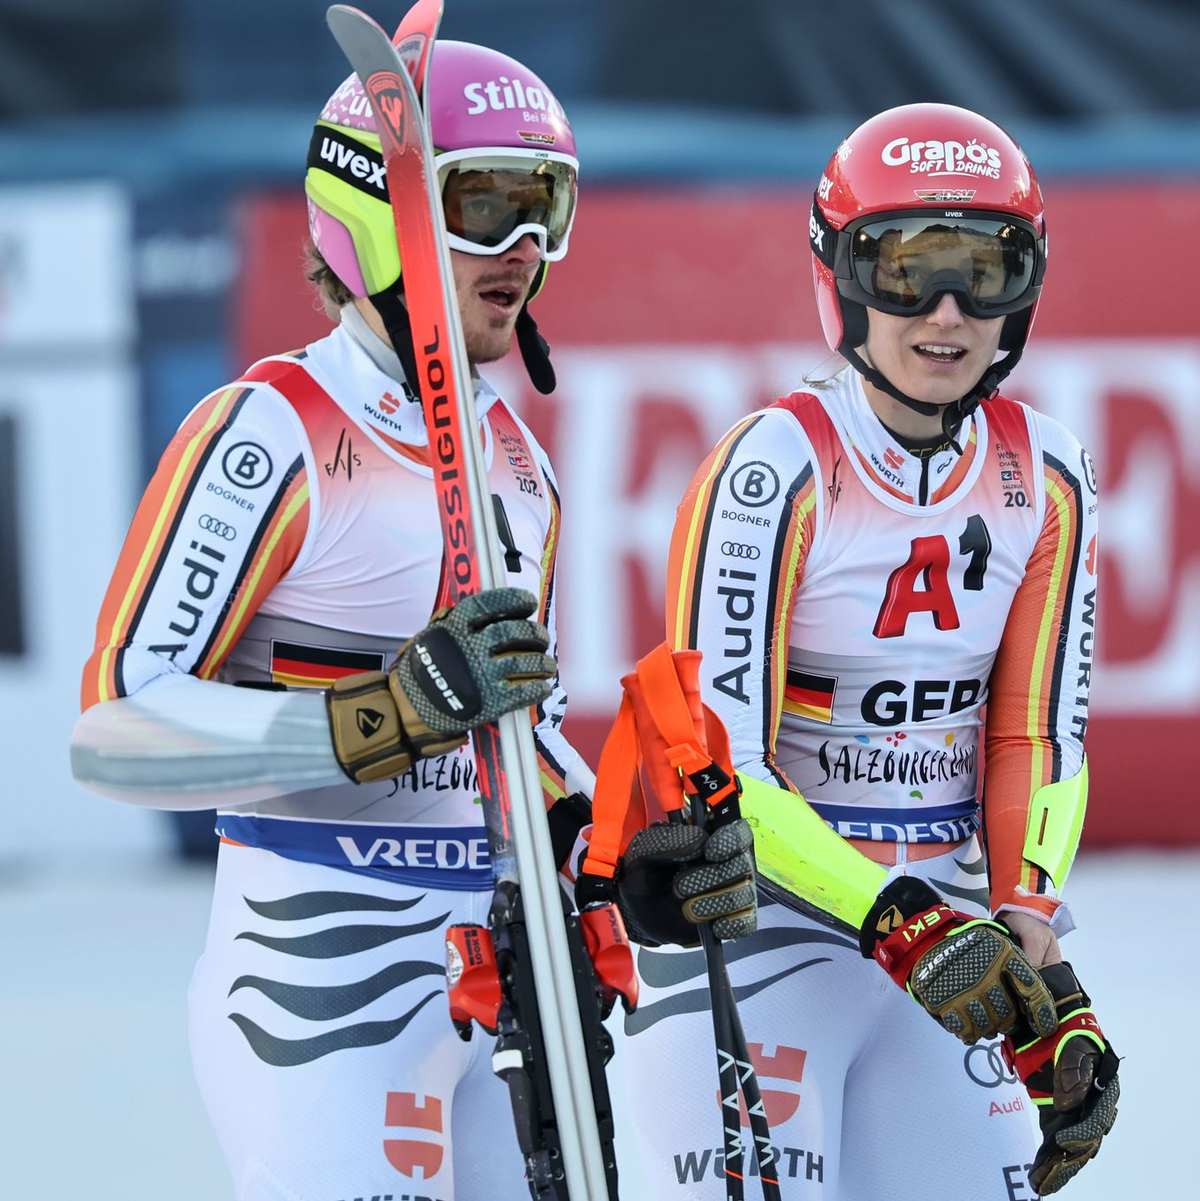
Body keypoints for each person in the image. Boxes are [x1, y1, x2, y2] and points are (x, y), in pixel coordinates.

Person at [71, 40, 595, 1201]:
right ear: (372, 210)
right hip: (317, 970)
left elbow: (527, 755)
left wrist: (617, 850)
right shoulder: (271, 429)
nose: (522, 248)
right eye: (486, 203)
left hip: (502, 980)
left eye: (545, 207)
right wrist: (383, 714)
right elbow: (112, 728)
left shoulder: (520, 470)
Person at [611, 104, 1117, 1199]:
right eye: (903, 268)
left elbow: (1039, 729)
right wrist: (900, 917)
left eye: (985, 268)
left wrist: (1032, 938)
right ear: (837, 276)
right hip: (760, 938)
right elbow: (722, 768)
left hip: (943, 947)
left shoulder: (1052, 469)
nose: (945, 312)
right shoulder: (772, 467)